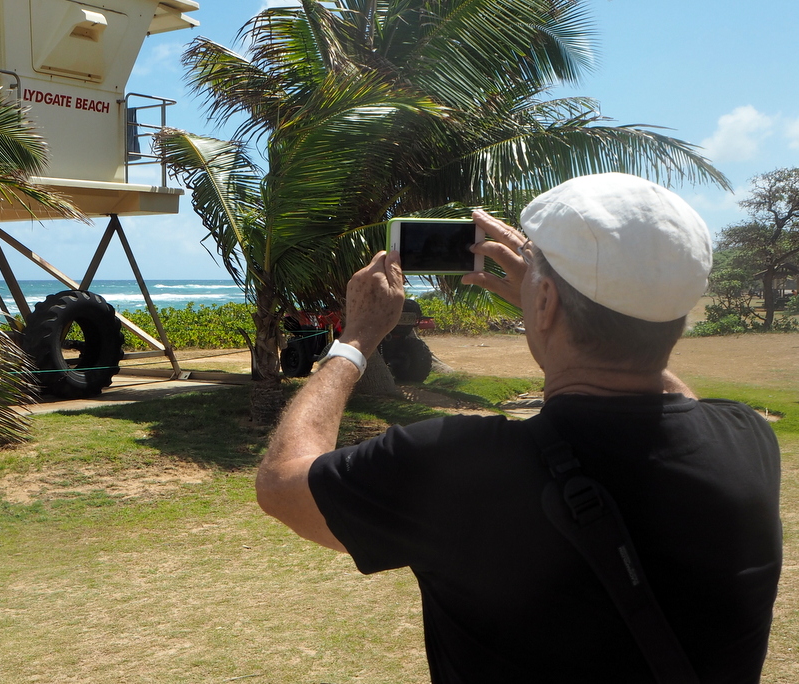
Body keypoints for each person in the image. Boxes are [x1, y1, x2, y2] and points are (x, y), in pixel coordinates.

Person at [256, 173, 782, 683]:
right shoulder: (749, 441)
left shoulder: (455, 466)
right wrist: (554, 309)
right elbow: (671, 398)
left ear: (547, 301)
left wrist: (358, 338)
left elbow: (282, 483)